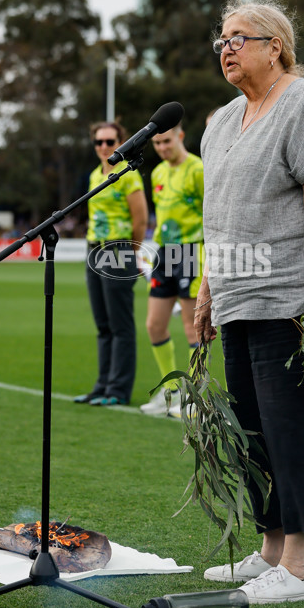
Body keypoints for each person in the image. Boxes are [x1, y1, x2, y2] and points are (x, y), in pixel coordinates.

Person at [194, 0, 304, 605]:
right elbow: (218, 216)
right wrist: (207, 287)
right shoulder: (221, 120)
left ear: (277, 47)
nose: (227, 48)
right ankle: (269, 550)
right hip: (238, 294)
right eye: (222, 39)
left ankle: (299, 568)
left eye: (241, 37)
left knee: (292, 429)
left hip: (290, 294)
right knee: (251, 431)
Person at [74, 121, 148, 406]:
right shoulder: (95, 175)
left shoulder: (128, 174)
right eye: (99, 142)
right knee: (103, 324)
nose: (104, 147)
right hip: (94, 248)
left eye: (109, 142)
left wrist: (131, 252)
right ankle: (102, 385)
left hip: (118, 249)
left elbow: (140, 219)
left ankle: (118, 389)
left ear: (120, 142)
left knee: (120, 324)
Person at [141, 123, 204, 416]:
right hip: (164, 253)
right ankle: (170, 392)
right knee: (154, 324)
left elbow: (212, 212)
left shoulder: (198, 169)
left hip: (191, 250)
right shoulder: (157, 173)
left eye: (167, 141)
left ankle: (195, 397)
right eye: (157, 144)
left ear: (180, 136)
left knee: (193, 327)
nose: (163, 148)